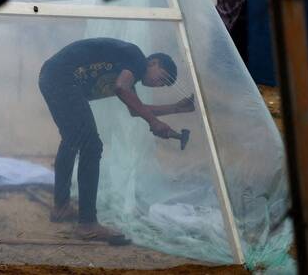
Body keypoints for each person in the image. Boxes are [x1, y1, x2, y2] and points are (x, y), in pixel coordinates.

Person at [39, 37, 195, 242]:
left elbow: (135, 109)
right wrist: (153, 122)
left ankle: (61, 207)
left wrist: (175, 108)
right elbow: (121, 89)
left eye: (162, 86)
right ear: (153, 62)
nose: (158, 85)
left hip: (51, 76)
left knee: (71, 140)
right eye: (162, 79)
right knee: (92, 146)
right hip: (63, 78)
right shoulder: (137, 58)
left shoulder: (130, 71)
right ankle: (87, 224)